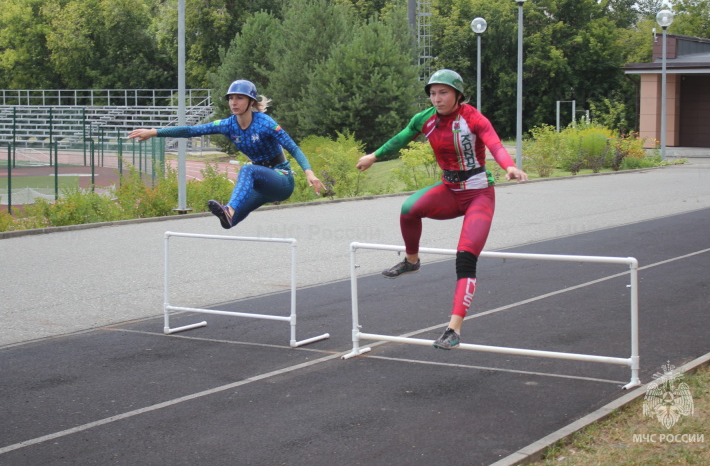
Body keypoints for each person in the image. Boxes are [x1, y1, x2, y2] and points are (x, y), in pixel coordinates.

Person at [356, 69, 527, 350]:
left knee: (465, 258)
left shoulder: (473, 118)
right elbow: (401, 138)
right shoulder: (425, 119)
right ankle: (411, 261)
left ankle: (453, 329)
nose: (437, 99)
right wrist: (373, 157)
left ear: (458, 95)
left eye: (443, 93)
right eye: (433, 93)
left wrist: (509, 165)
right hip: (449, 191)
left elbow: (494, 143)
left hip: (478, 196)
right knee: (409, 208)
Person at [128, 80, 325, 228]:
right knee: (228, 223)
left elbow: (293, 148)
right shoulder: (227, 125)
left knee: (248, 170)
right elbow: (191, 131)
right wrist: (155, 132)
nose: (233, 102)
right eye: (231, 98)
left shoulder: (265, 123)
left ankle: (228, 209)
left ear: (250, 101)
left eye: (239, 98)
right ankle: (229, 214)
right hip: (261, 186)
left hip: (282, 180)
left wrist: (309, 173)